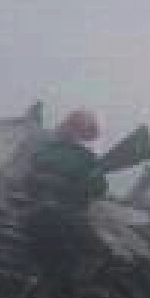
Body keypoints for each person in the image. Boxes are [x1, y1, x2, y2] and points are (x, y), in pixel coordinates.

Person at [24, 108, 107, 278]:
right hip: (50, 213)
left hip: (54, 214)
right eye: (77, 127)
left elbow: (97, 188)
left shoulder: (85, 159)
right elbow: (29, 176)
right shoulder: (54, 151)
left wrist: (66, 186)